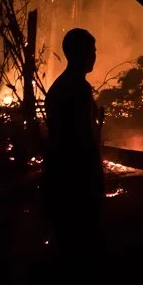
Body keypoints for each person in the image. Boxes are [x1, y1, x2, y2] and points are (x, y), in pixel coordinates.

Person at [40, 28, 105, 264]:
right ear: (84, 54)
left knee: (64, 243)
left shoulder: (58, 87)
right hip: (77, 177)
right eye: (93, 51)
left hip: (59, 173)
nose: (95, 56)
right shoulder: (79, 89)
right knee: (80, 244)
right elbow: (84, 137)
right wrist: (96, 175)